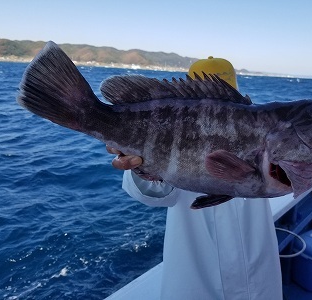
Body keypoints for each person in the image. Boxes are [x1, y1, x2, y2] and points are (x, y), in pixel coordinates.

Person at [107, 57, 283, 300]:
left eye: (224, 96)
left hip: (261, 280)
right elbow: (152, 193)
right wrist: (137, 161)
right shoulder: (169, 132)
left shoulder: (265, 135)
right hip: (195, 286)